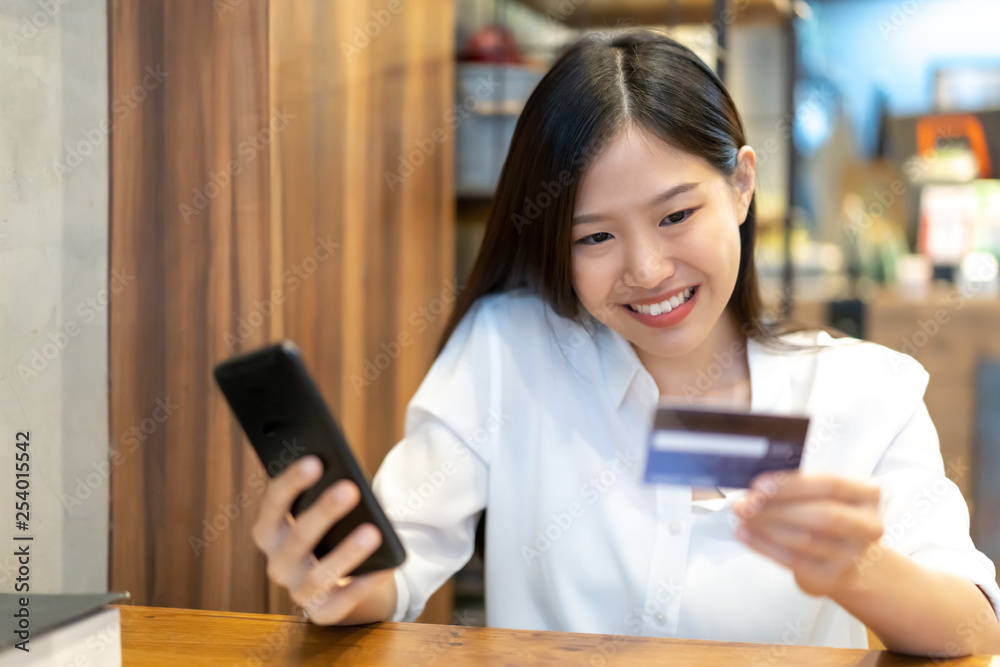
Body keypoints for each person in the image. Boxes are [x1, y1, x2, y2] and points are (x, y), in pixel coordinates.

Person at [249, 29, 1000, 656]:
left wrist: (857, 568)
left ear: (741, 185)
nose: (646, 269)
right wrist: (336, 581)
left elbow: (972, 621)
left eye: (676, 215)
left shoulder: (865, 390)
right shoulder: (511, 350)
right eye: (597, 236)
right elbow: (398, 564)